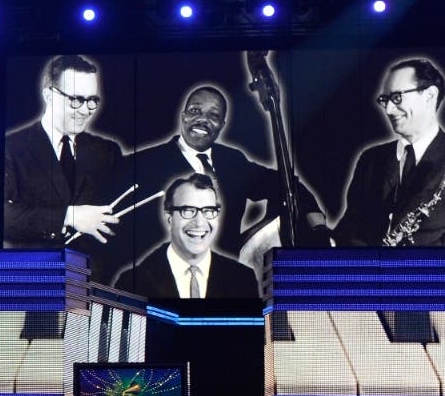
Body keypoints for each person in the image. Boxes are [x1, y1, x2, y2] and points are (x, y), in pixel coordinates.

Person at [123, 85, 326, 264]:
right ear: (183, 115)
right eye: (195, 111)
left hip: (226, 284)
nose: (202, 120)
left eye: (213, 116)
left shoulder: (233, 160)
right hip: (165, 285)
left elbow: (287, 185)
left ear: (222, 124)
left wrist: (318, 228)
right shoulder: (143, 163)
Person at [4, 55, 126, 281]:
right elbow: (1, 216)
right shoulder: (11, 148)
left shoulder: (107, 151)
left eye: (92, 100)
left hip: (93, 287)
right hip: (32, 283)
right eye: (76, 100)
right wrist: (68, 217)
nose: (86, 110)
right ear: (49, 95)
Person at [335, 58, 445, 246]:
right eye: (384, 100)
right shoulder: (370, 159)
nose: (388, 109)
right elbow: (350, 227)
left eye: (396, 97)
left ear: (430, 96)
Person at [113, 173, 259, 298]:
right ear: (169, 218)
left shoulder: (243, 278)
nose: (199, 223)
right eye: (188, 211)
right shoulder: (131, 283)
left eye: (208, 210)